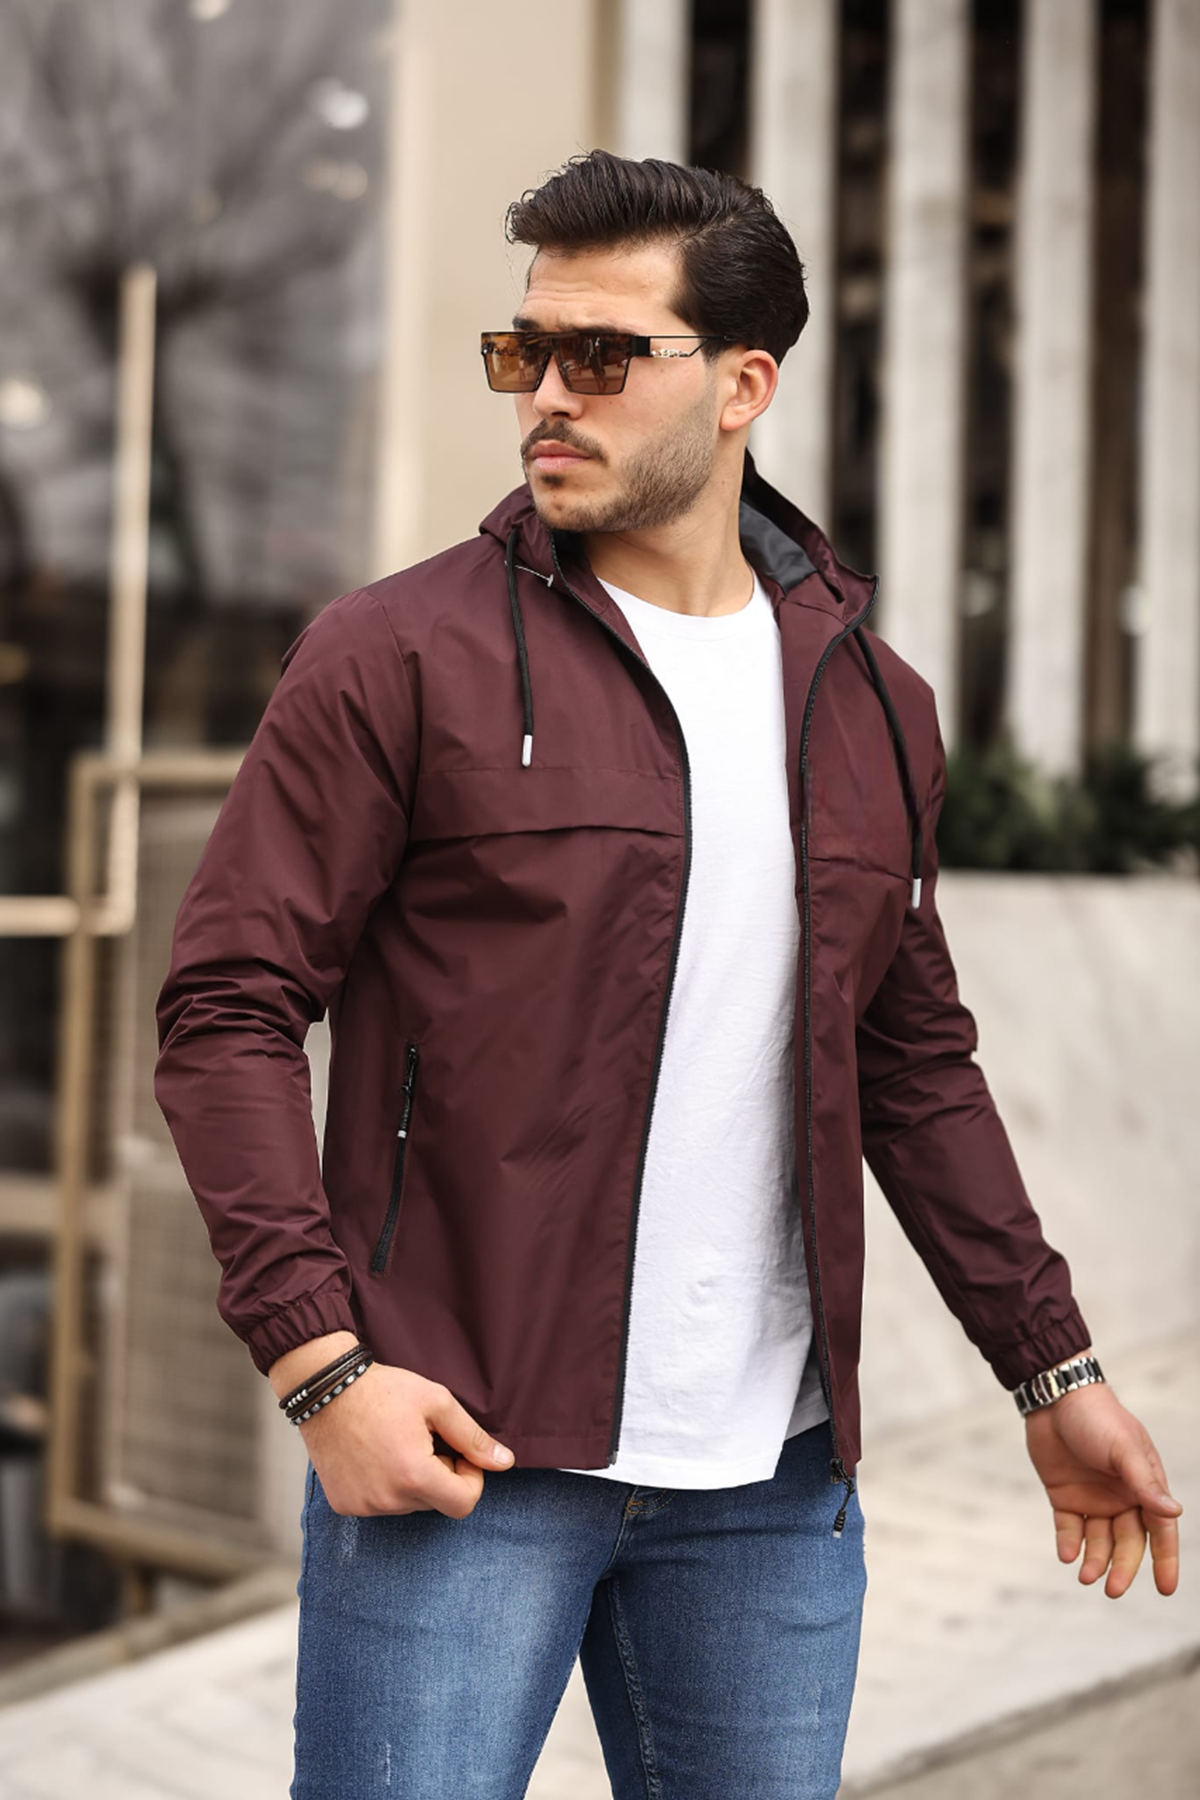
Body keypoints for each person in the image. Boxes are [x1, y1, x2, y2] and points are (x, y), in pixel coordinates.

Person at [154, 151, 1182, 1800]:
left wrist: (1051, 1368)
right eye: (526, 351)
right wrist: (317, 1363)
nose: (548, 396)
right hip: (464, 1449)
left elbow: (914, 1065)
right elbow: (228, 1005)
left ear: (743, 386)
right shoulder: (399, 655)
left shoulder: (875, 704)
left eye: (604, 355)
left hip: (772, 1482)